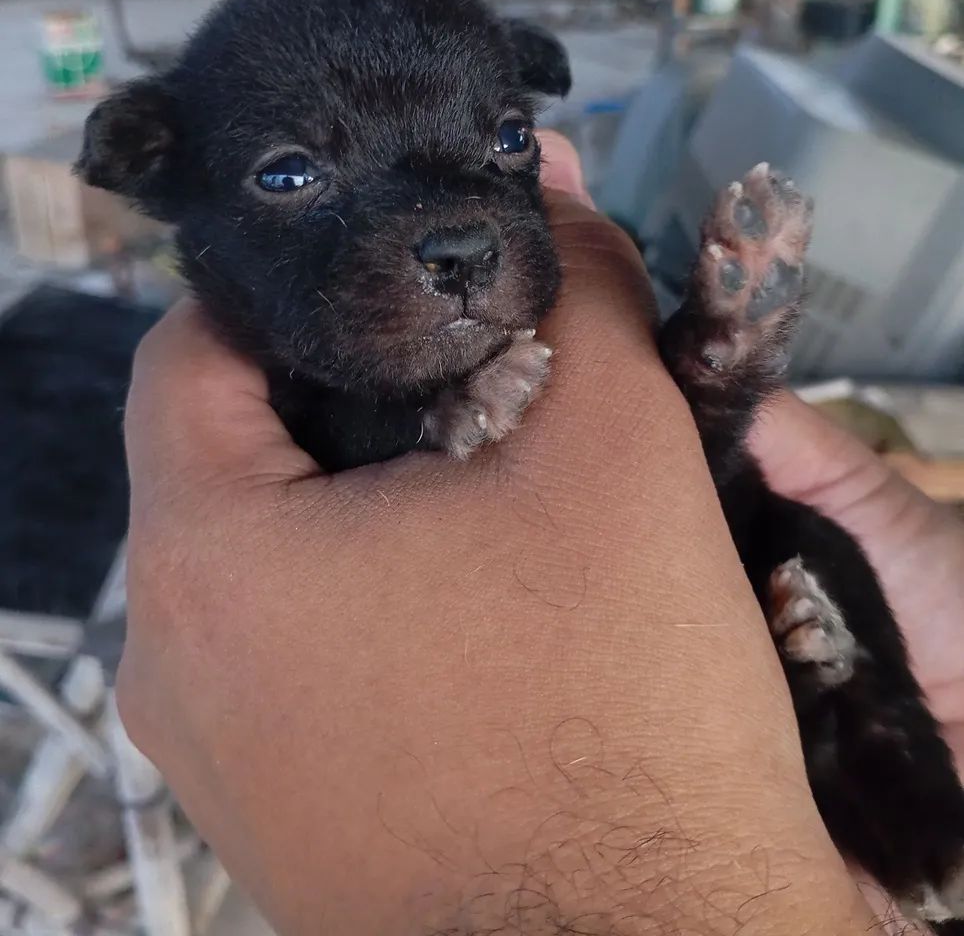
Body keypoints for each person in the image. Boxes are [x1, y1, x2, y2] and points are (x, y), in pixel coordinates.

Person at [120, 132, 964, 936]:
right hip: (619, 668)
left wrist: (581, 885)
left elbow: (656, 472)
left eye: (504, 140)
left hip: (720, 612)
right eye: (290, 175)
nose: (451, 221)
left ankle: (925, 826)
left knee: (803, 537)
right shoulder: (289, 376)